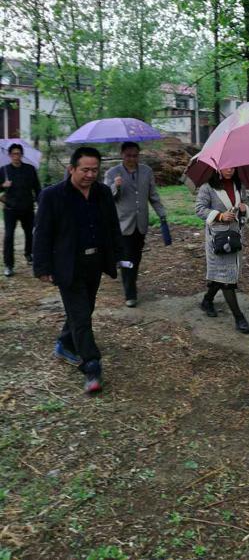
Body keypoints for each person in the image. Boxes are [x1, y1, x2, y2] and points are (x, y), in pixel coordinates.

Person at [33, 146, 124, 394]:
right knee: (82, 315)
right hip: (67, 265)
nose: (90, 175)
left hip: (94, 263)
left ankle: (64, 343)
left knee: (84, 309)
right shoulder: (52, 195)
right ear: (71, 168)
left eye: (95, 170)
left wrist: (118, 254)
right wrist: (42, 266)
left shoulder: (102, 193)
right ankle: (91, 365)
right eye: (85, 170)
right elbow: (42, 233)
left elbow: (112, 226)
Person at [104, 141, 168, 307]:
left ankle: (129, 277)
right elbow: (105, 198)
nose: (132, 159)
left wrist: (161, 213)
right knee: (127, 257)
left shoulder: (146, 171)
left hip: (141, 223)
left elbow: (153, 195)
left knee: (136, 256)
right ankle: (130, 293)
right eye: (128, 155)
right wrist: (115, 186)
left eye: (135, 155)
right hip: (122, 224)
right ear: (122, 155)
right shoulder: (112, 173)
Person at [195, 167, 249, 333]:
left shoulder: (239, 185)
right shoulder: (207, 188)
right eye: (226, 166)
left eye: (233, 167)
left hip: (235, 236)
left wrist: (244, 209)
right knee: (227, 278)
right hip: (218, 239)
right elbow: (199, 209)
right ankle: (239, 317)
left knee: (224, 274)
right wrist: (220, 216)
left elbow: (245, 205)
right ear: (218, 167)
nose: (230, 169)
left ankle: (207, 300)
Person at [1, 143, 41, 277]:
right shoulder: (4, 170)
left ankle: (29, 254)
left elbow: (37, 188)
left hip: (27, 207)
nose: (16, 156)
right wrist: (3, 185)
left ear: (22, 155)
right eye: (13, 154)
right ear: (9, 155)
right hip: (10, 209)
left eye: (18, 154)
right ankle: (9, 265)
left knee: (30, 233)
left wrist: (40, 204)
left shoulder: (30, 169)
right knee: (9, 236)